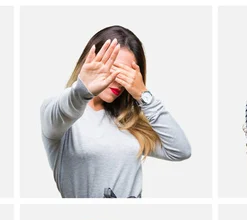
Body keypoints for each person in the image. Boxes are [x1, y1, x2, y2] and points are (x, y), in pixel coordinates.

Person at [41, 25, 191, 198]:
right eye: (113, 69)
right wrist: (83, 89)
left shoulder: (129, 121)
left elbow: (180, 150)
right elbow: (66, 108)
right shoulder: (58, 112)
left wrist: (144, 96)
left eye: (126, 74)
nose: (118, 82)